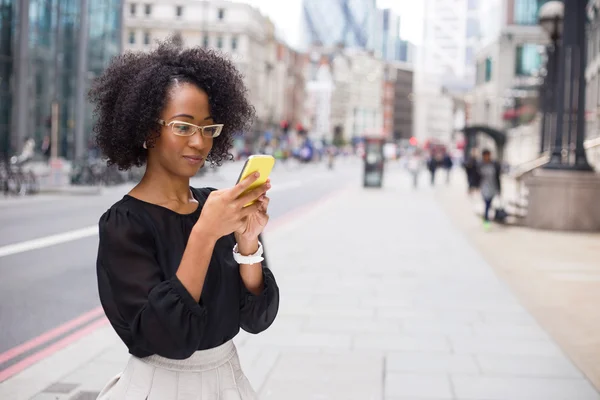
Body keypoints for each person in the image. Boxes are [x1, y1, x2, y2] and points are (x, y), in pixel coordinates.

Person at [91, 37, 279, 399]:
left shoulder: (215, 206)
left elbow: (256, 318)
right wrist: (205, 234)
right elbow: (168, 338)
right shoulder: (123, 224)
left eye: (209, 129)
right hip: (158, 387)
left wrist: (248, 242)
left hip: (228, 380)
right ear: (148, 130)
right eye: (183, 126)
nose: (199, 142)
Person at [478, 149, 502, 229]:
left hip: (492, 187)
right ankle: (486, 220)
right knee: (487, 203)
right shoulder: (480, 164)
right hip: (483, 187)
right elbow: (475, 176)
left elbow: (498, 177)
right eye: (485, 155)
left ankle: (486, 216)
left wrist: (499, 189)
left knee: (489, 203)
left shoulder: (494, 164)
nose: (487, 157)